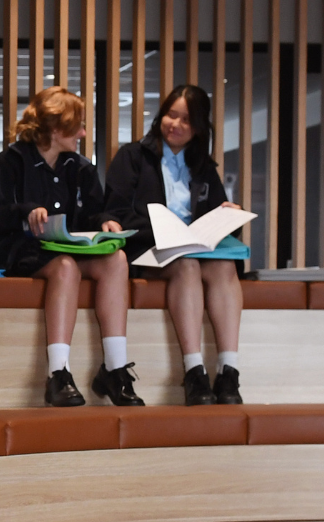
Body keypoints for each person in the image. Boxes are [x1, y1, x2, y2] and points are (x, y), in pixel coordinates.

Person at [0, 86, 144, 407]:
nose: (82, 132)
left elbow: (95, 211)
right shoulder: (7, 164)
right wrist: (24, 212)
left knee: (117, 259)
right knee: (65, 266)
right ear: (55, 128)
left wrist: (106, 222)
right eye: (77, 125)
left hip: (69, 248)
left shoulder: (80, 168)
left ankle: (115, 367)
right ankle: (59, 374)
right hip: (20, 251)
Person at [104, 84, 245, 405]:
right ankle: (194, 371)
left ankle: (229, 372)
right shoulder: (133, 156)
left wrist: (227, 214)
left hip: (193, 249)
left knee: (224, 265)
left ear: (198, 128)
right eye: (171, 115)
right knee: (187, 264)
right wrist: (164, 232)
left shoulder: (204, 166)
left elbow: (213, 215)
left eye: (186, 120)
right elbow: (116, 212)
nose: (176, 125)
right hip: (151, 248)